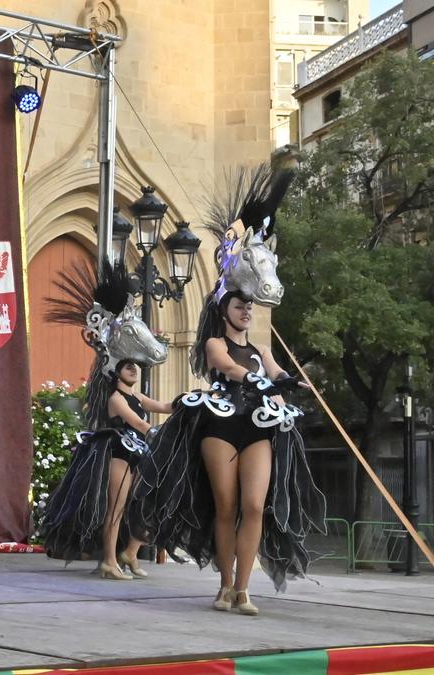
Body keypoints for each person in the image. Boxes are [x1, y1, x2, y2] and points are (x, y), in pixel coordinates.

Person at [130, 165, 326, 614]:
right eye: (241, 305)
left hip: (257, 426)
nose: (247, 311)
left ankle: (243, 588)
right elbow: (222, 366)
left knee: (255, 505)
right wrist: (251, 378)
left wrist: (287, 382)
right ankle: (223, 585)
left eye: (251, 306)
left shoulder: (259, 346)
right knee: (227, 504)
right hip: (220, 424)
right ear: (227, 307)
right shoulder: (216, 341)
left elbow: (274, 372)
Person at [40, 262, 169, 579]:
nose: (134, 371)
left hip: (137, 452)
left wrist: (193, 404)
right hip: (118, 452)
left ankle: (130, 552)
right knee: (116, 508)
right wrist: (155, 432)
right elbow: (138, 425)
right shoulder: (114, 398)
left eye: (135, 368)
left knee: (150, 502)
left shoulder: (136, 397)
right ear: (118, 372)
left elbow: (165, 405)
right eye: (129, 368)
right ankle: (109, 560)